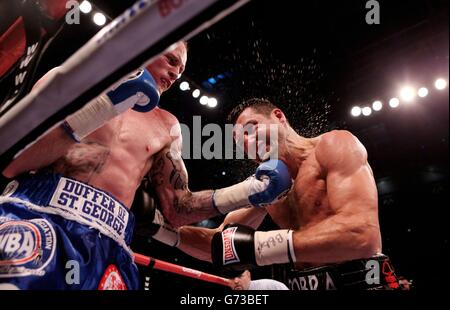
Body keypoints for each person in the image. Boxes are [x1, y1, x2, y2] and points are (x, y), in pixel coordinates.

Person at [0, 42, 292, 289]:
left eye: (181, 70)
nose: (176, 73)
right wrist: (105, 105)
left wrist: (250, 190)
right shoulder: (74, 83)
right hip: (38, 214)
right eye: (171, 60)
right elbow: (13, 161)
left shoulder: (166, 125)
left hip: (109, 242)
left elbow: (178, 209)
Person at [152, 98, 401, 290]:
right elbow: (218, 246)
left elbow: (361, 235)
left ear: (279, 117)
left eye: (251, 129)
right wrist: (157, 226)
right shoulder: (266, 187)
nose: (248, 144)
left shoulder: (333, 145)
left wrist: (261, 247)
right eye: (240, 143)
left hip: (363, 282)